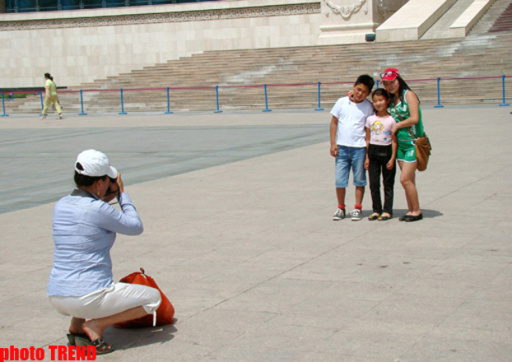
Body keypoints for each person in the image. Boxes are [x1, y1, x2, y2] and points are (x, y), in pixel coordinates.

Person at [47, 149, 161, 354]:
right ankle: (96, 326)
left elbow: (89, 211)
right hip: (87, 297)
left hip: (57, 295)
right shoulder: (99, 210)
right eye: (108, 180)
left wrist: (107, 196)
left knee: (84, 279)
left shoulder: (61, 204)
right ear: (99, 183)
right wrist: (122, 194)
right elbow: (135, 227)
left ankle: (75, 328)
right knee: (153, 298)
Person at [381, 68, 424, 222]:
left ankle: (417, 211)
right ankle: (411, 209)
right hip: (399, 144)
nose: (389, 86)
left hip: (413, 143)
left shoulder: (409, 95)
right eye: (386, 84)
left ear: (398, 79)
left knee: (404, 179)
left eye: (392, 82)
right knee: (409, 180)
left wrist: (398, 126)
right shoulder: (392, 100)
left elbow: (414, 118)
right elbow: (377, 103)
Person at [330, 74, 375, 221]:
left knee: (359, 179)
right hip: (342, 148)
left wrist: (368, 154)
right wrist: (332, 143)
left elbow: (368, 131)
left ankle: (357, 208)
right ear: (354, 86)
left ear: (368, 94)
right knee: (340, 180)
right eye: (358, 89)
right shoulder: (342, 102)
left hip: (359, 148)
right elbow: (334, 122)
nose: (360, 93)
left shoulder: (368, 107)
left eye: (364, 92)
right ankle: (341, 207)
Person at [364, 88, 397, 221]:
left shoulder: (392, 120)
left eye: (381, 100)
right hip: (373, 152)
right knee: (373, 183)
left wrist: (393, 158)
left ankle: (387, 210)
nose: (378, 103)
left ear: (387, 100)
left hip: (387, 151)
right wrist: (367, 157)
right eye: (375, 101)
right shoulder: (370, 119)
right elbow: (367, 138)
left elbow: (394, 140)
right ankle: (376, 210)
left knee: (388, 183)